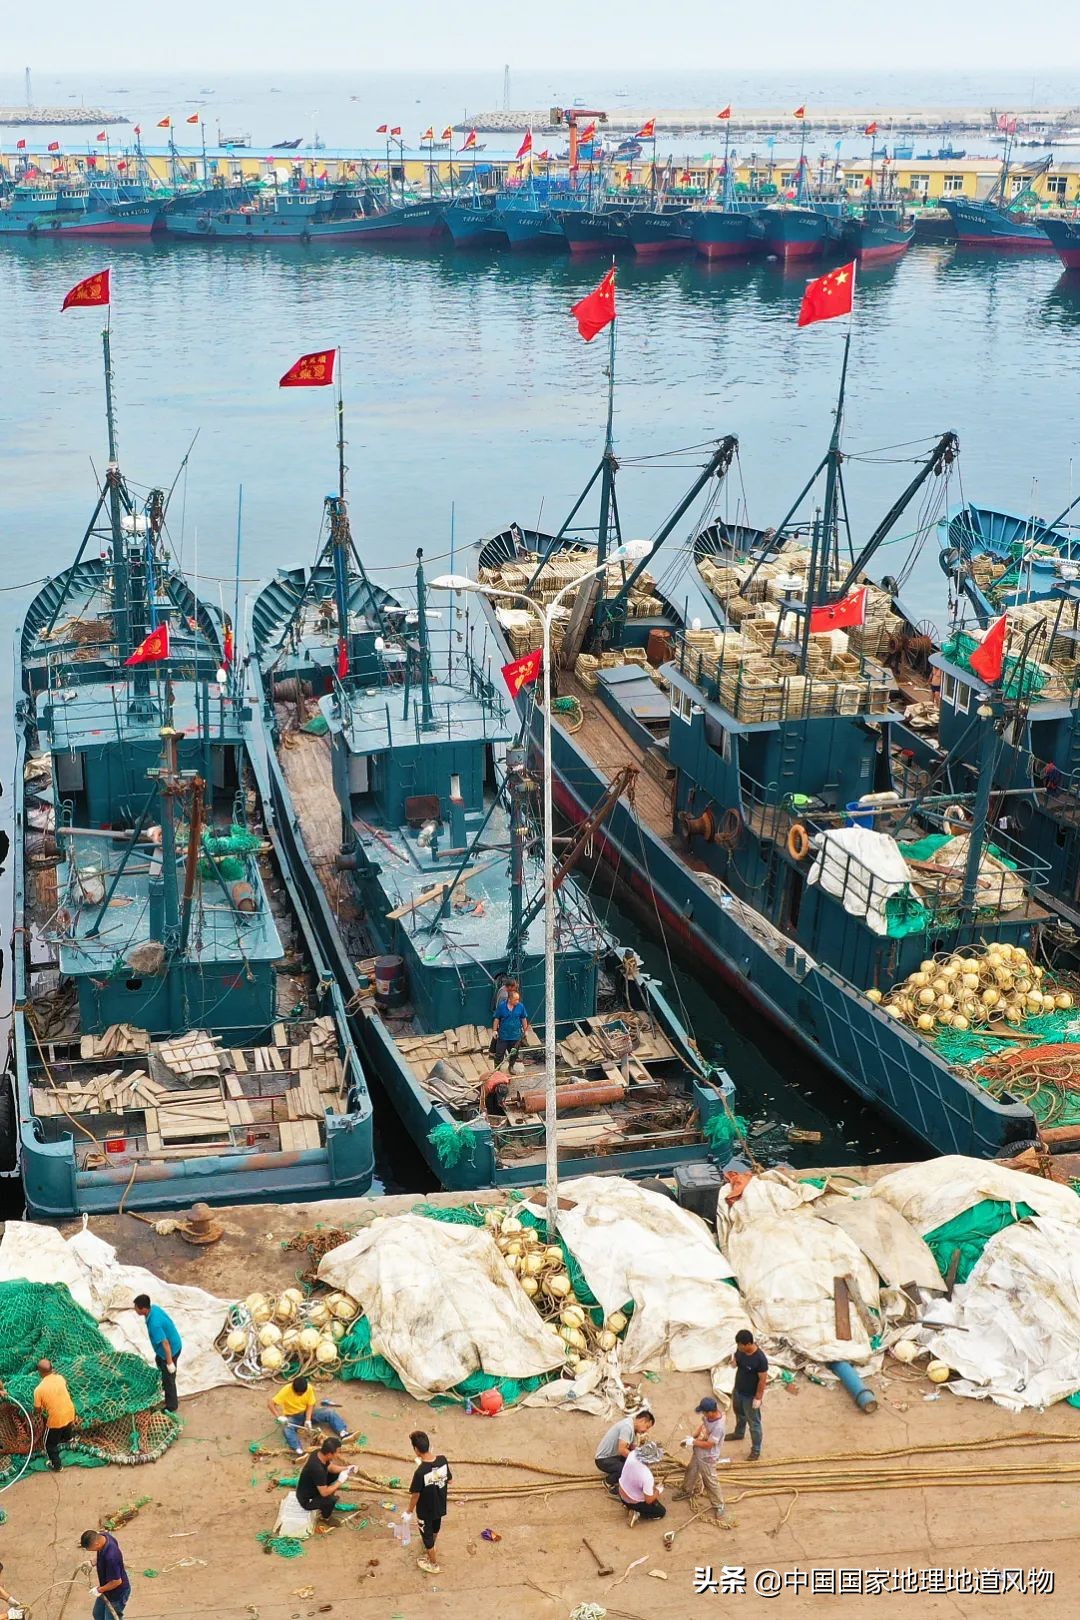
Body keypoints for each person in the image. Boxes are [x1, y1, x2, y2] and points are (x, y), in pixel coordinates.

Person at [268, 1376, 352, 1456]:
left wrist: (307, 1420)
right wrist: (279, 1417)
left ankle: (343, 1433)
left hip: (307, 1413)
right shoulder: (286, 1390)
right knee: (286, 1428)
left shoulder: (309, 1388)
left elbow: (310, 1404)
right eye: (299, 1394)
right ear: (293, 1389)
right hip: (292, 1416)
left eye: (302, 1393)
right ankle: (298, 1450)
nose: (301, 1395)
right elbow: (271, 1404)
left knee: (329, 1412)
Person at [407, 1430, 452, 1576]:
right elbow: (450, 1480)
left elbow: (415, 1495)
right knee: (435, 1528)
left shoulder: (420, 1472)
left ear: (416, 1450)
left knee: (426, 1537)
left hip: (425, 1511)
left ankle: (433, 1564)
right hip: (440, 1506)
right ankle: (432, 1545)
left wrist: (408, 1511)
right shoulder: (442, 1460)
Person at [677, 1395, 727, 1518]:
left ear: (711, 1412)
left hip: (708, 1457)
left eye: (704, 1412)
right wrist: (692, 1437)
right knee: (691, 1470)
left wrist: (692, 1442)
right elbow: (702, 1426)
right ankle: (686, 1490)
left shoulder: (719, 1427)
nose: (703, 1415)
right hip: (699, 1451)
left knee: (710, 1480)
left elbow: (709, 1444)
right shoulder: (708, 1417)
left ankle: (719, 1505)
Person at [132, 1294, 181, 1413]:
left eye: (136, 1307)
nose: (135, 1309)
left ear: (143, 1309)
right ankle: (165, 1382)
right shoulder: (153, 1309)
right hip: (170, 1346)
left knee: (169, 1378)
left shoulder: (154, 1324)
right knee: (160, 1363)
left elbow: (165, 1344)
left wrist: (169, 1363)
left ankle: (171, 1405)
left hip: (170, 1350)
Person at [296, 1435, 350, 1534]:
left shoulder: (318, 1453)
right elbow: (324, 1493)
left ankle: (327, 1498)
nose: (338, 1455)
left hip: (313, 1486)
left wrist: (346, 1469)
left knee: (336, 1474)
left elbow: (330, 1467)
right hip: (307, 1500)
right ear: (329, 1454)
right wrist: (340, 1482)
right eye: (337, 1452)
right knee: (330, 1500)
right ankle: (326, 1518)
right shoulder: (317, 1469)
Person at [593, 1408, 655, 1492]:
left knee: (632, 1463)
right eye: (647, 1427)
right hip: (603, 1459)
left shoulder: (631, 1426)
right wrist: (637, 1461)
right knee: (626, 1468)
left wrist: (642, 1453)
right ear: (642, 1420)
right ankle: (608, 1482)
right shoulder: (627, 1427)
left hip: (612, 1456)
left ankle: (619, 1473)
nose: (646, 1430)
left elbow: (631, 1447)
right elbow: (622, 1450)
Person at [33, 1358, 77, 1472]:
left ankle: (56, 1466)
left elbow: (37, 1410)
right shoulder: (60, 1378)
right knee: (67, 1424)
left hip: (56, 1419)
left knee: (49, 1444)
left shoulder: (39, 1390)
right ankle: (70, 1439)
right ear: (52, 1369)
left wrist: (35, 1412)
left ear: (39, 1372)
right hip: (70, 1411)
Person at [730, 1329, 768, 1460]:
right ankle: (739, 1433)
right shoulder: (740, 1351)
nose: (738, 1348)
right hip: (738, 1390)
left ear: (748, 1344)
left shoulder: (760, 1359)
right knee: (739, 1413)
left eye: (740, 1345)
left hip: (750, 1396)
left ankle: (756, 1449)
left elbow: (762, 1380)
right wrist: (734, 1362)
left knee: (754, 1423)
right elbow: (736, 1358)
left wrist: (758, 1397)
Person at [80, 1529, 131, 1620]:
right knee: (98, 1614)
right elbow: (100, 1551)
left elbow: (117, 1581)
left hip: (117, 1594)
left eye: (91, 1549)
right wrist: (93, 1562)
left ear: (96, 1544)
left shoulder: (111, 1557)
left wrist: (99, 1590)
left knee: (112, 1618)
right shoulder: (104, 1536)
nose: (91, 1551)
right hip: (107, 1590)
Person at [617, 1439, 666, 1526]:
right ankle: (637, 1512)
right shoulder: (647, 1477)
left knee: (649, 1492)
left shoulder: (632, 1454)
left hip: (621, 1492)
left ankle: (627, 1505)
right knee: (661, 1512)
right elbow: (648, 1500)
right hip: (633, 1501)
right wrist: (658, 1491)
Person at [491, 986, 529, 1072]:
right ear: (509, 999)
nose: (517, 1001)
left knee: (514, 1054)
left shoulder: (520, 1007)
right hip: (503, 1036)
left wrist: (525, 1030)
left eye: (518, 999)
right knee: (499, 1054)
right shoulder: (501, 1007)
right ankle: (497, 1070)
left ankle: (511, 1066)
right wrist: (494, 1030)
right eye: (515, 999)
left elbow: (523, 1018)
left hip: (515, 1036)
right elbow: (496, 1019)